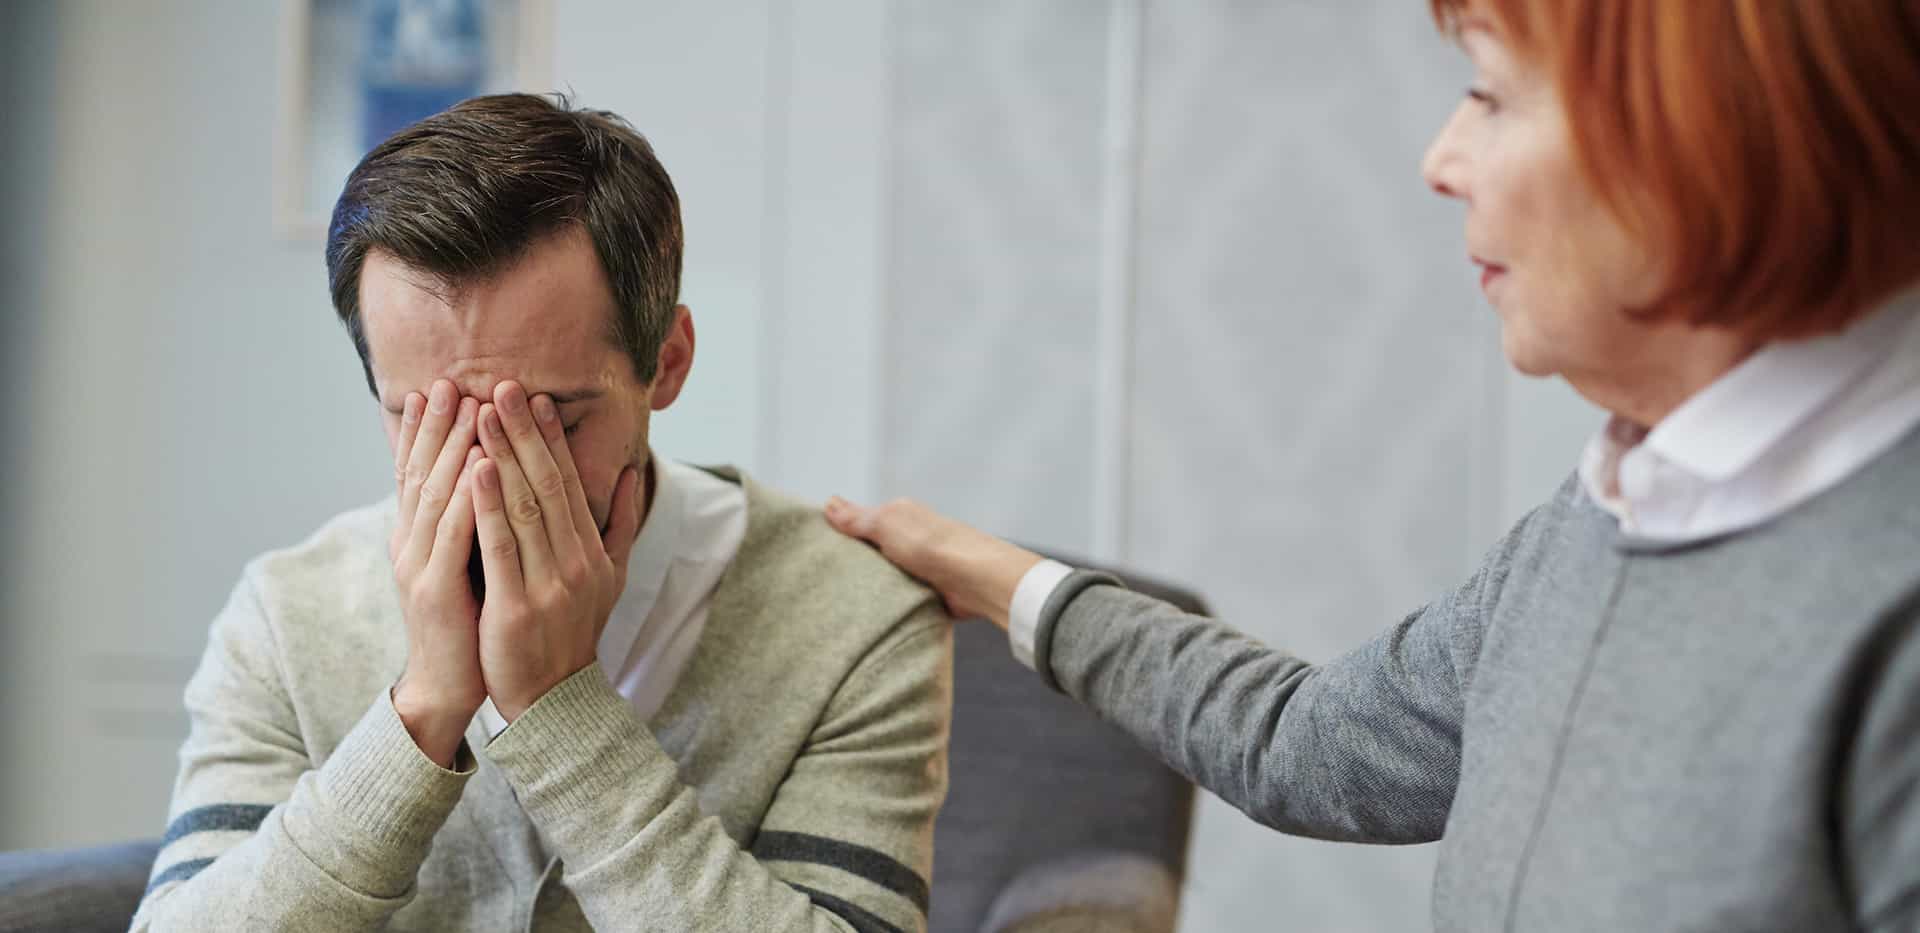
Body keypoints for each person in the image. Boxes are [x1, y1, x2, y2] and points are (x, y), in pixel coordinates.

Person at [826, 1, 1920, 929]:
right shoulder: (1604, 515)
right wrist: (994, 576)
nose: (1442, 162)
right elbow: (1308, 744)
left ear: (1704, 131)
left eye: (1490, 94)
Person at [133, 94, 951, 933]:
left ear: (667, 363)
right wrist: (422, 709)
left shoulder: (857, 618)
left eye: (548, 420)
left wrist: (558, 711)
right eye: (425, 419)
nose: (485, 479)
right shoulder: (286, 616)